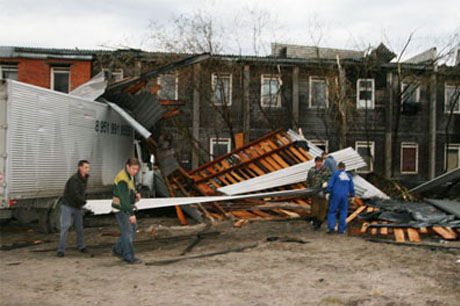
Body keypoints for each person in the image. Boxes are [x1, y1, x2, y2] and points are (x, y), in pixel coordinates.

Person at [112, 158, 142, 264]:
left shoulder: (129, 176)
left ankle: (118, 249)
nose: (135, 171)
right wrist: (131, 214)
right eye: (133, 169)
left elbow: (130, 189)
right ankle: (129, 256)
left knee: (131, 230)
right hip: (121, 208)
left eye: (137, 169)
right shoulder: (122, 179)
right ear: (127, 166)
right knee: (128, 232)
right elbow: (124, 199)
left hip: (123, 207)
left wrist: (135, 195)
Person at [57, 160, 90, 257]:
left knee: (79, 227)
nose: (87, 169)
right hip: (68, 205)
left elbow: (81, 193)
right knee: (65, 226)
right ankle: (61, 250)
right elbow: (74, 194)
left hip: (77, 206)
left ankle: (81, 246)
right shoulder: (74, 179)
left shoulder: (85, 178)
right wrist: (84, 202)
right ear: (80, 167)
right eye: (85, 167)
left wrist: (83, 203)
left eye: (88, 167)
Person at [325, 162, 355, 234]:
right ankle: (341, 230)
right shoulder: (349, 176)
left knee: (332, 211)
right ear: (345, 168)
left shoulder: (335, 174)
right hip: (345, 196)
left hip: (335, 195)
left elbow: (330, 184)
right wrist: (352, 196)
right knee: (343, 212)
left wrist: (328, 192)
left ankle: (331, 228)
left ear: (338, 167)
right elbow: (352, 187)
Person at [306, 156, 331, 230]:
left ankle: (319, 222)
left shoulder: (326, 170)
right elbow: (308, 180)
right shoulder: (311, 170)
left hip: (323, 191)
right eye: (318, 162)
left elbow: (330, 178)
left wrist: (326, 184)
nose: (319, 163)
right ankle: (314, 220)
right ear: (315, 162)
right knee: (314, 208)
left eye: (320, 162)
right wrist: (309, 188)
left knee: (323, 207)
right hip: (314, 191)